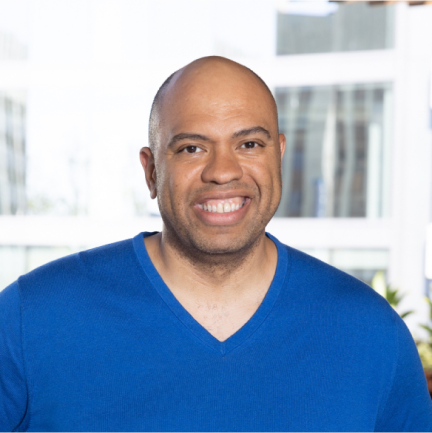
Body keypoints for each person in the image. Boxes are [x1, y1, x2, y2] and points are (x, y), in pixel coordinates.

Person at [0, 56, 431, 432]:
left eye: (249, 144)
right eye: (191, 148)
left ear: (279, 156)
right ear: (151, 172)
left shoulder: (371, 334)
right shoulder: (29, 319)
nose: (223, 171)